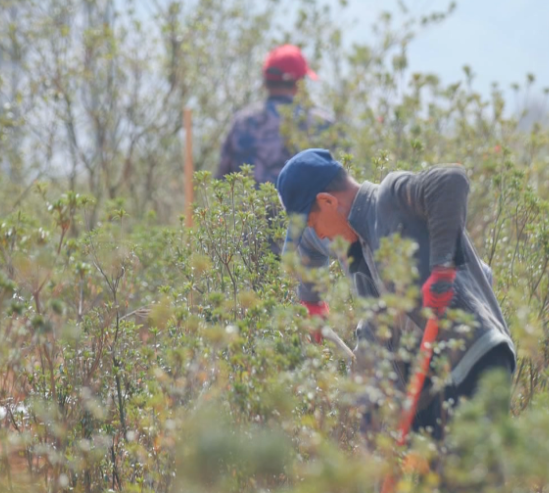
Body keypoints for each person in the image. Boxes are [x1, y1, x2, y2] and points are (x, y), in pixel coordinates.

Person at [276, 148, 515, 443]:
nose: (320, 235)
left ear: (327, 201)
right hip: (429, 385)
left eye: (313, 223)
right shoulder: (351, 242)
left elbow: (450, 179)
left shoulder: (389, 199)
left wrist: (442, 268)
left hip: (474, 363)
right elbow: (312, 246)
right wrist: (311, 299)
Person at [216, 44, 333, 187]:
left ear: (266, 82)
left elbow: (222, 181)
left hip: (250, 208)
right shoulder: (321, 123)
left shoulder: (241, 122)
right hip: (302, 209)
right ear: (299, 82)